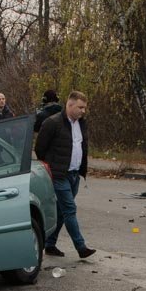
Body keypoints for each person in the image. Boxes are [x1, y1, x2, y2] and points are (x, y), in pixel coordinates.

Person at [35, 90, 95, 259]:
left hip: (74, 174)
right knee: (69, 209)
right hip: (58, 174)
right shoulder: (52, 123)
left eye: (84, 108)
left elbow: (82, 147)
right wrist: (51, 167)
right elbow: (40, 148)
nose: (83, 111)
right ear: (70, 105)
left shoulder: (81, 123)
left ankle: (50, 244)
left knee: (61, 211)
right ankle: (81, 247)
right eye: (80, 107)